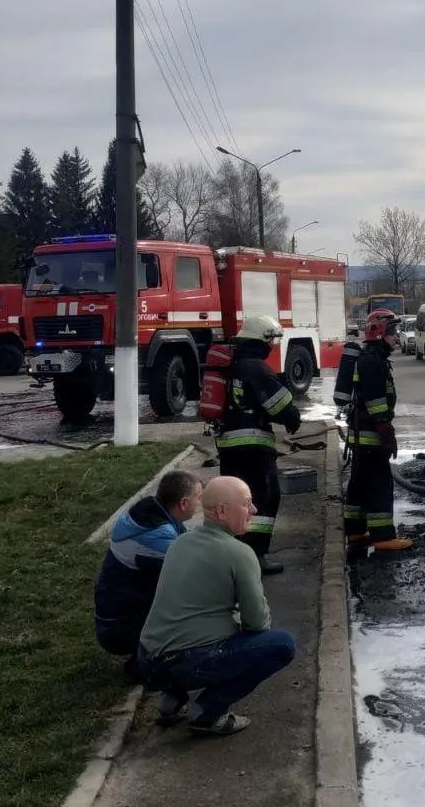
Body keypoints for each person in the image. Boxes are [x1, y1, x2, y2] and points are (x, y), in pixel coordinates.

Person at [137, 476, 297, 736]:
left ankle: (172, 702)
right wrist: (239, 619)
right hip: (187, 664)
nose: (254, 509)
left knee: (189, 628)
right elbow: (258, 623)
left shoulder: (180, 542)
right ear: (222, 511)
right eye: (247, 503)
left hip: (147, 661)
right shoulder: (239, 553)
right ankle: (206, 712)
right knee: (282, 645)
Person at [93, 469, 203, 681]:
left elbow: (189, 544)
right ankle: (145, 666)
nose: (200, 503)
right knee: (192, 603)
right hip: (118, 629)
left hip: (117, 618)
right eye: (198, 498)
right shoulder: (157, 536)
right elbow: (194, 569)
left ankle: (150, 653)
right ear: (183, 503)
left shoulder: (153, 516)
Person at [215, 315, 302, 576]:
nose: (272, 346)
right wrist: (293, 420)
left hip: (228, 444)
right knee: (264, 498)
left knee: (234, 500)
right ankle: (255, 556)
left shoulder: (230, 364)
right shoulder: (256, 368)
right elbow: (280, 405)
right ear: (260, 340)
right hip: (253, 444)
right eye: (270, 341)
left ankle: (234, 554)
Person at [344, 309, 412, 550]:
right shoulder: (373, 362)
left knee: (359, 484)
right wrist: (387, 434)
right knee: (379, 485)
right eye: (392, 332)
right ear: (379, 332)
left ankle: (355, 531)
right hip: (371, 438)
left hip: (360, 435)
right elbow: (376, 405)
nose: (396, 336)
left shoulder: (369, 359)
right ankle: (383, 537)